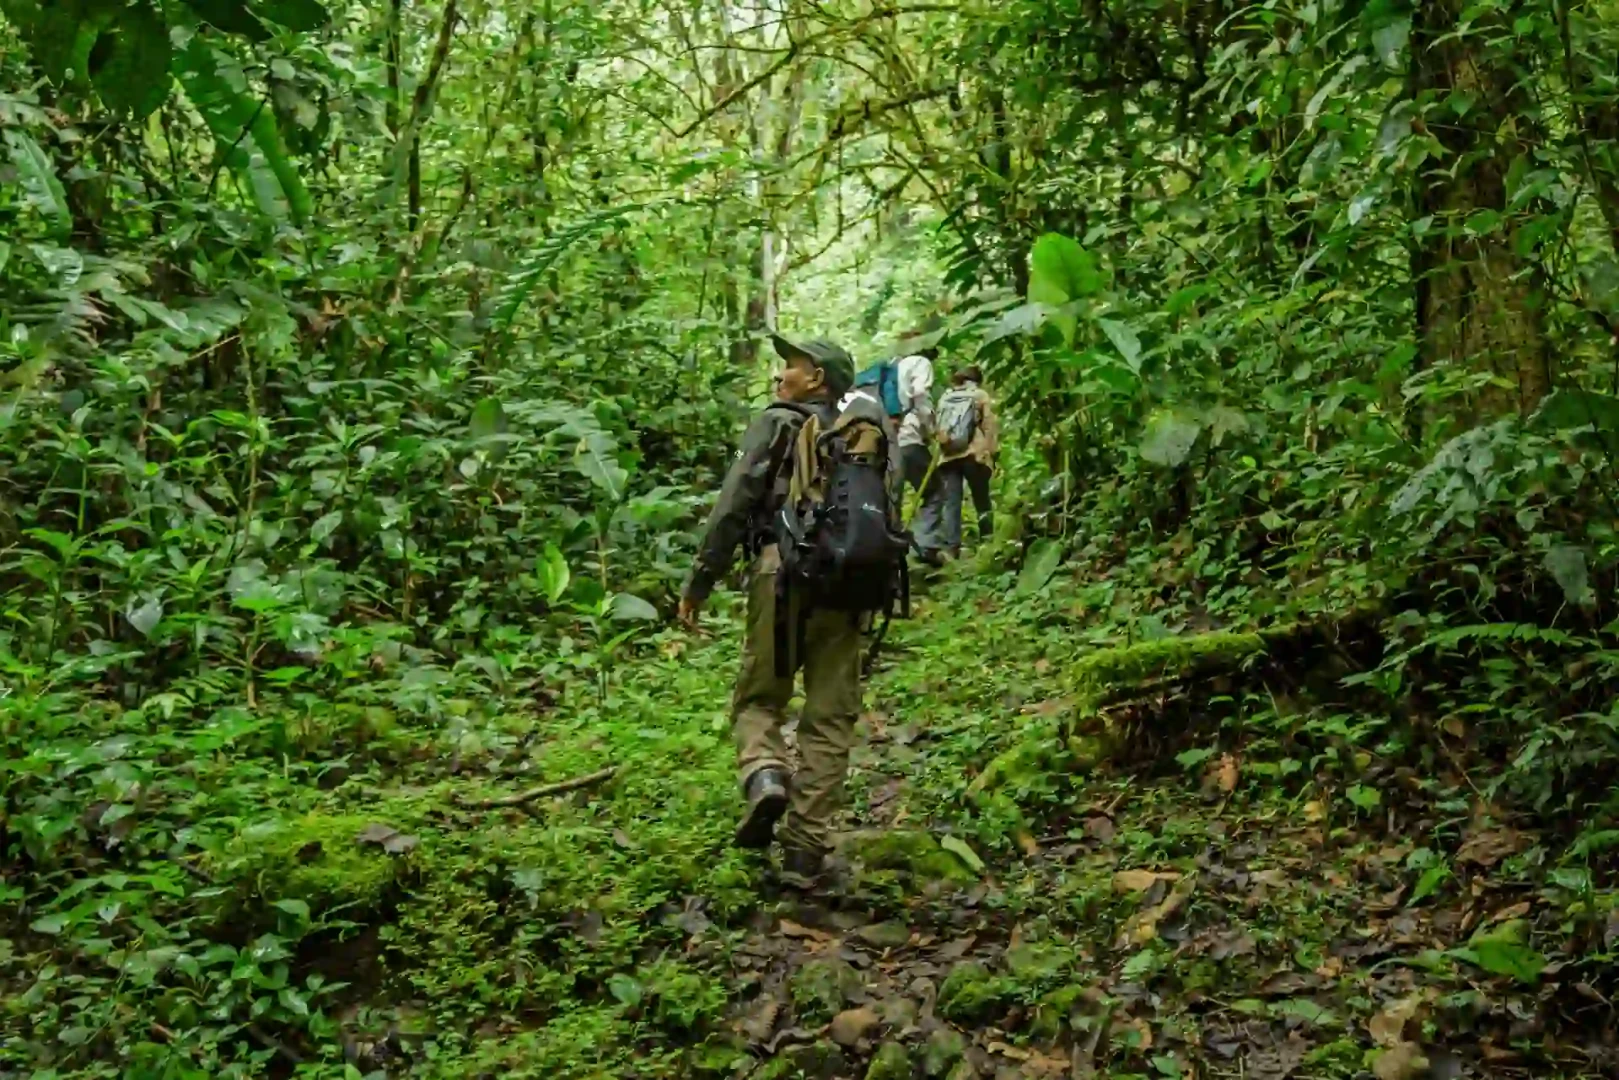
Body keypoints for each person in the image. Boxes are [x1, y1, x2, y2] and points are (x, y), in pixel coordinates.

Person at [677, 333, 872, 889]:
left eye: (790, 365)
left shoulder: (780, 422)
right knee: (830, 716)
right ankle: (805, 853)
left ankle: (765, 776)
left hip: (780, 570)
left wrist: (700, 580)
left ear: (816, 379)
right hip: (849, 582)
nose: (779, 374)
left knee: (760, 696)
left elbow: (735, 500)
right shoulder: (865, 435)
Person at [933, 365, 999, 558]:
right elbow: (989, 426)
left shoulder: (945, 397)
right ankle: (987, 543)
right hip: (974, 454)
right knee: (982, 499)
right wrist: (993, 453)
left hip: (948, 456)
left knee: (951, 502)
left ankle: (951, 548)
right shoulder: (979, 395)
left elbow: (938, 426)